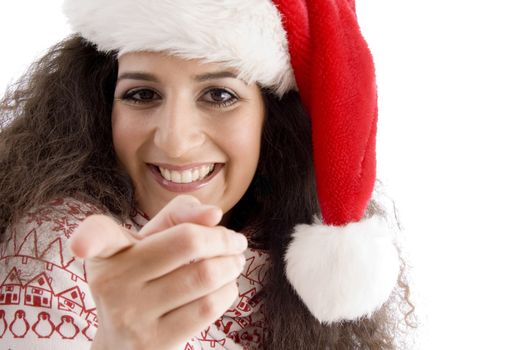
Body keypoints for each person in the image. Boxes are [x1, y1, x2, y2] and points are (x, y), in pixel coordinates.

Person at [0, 0, 415, 349]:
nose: (176, 141)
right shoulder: (49, 258)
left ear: (270, 121)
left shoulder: (290, 270)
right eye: (141, 94)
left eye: (219, 95)